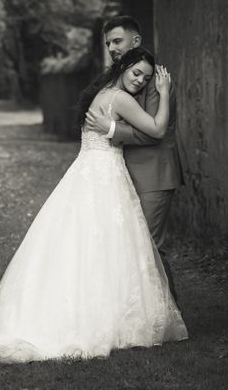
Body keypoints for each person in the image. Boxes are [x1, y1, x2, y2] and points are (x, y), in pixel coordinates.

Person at [0, 47, 188, 365]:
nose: (141, 81)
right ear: (123, 67)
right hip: (105, 175)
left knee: (86, 245)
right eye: (137, 73)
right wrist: (163, 93)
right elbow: (157, 129)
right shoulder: (120, 98)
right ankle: (106, 317)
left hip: (87, 172)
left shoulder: (102, 92)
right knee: (109, 246)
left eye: (148, 78)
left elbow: (122, 134)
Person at [85, 15, 184, 302]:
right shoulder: (119, 81)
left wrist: (111, 129)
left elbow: (155, 133)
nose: (112, 48)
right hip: (126, 173)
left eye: (117, 41)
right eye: (108, 43)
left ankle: (169, 311)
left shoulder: (153, 79)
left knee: (150, 246)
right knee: (131, 245)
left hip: (154, 173)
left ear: (135, 40)